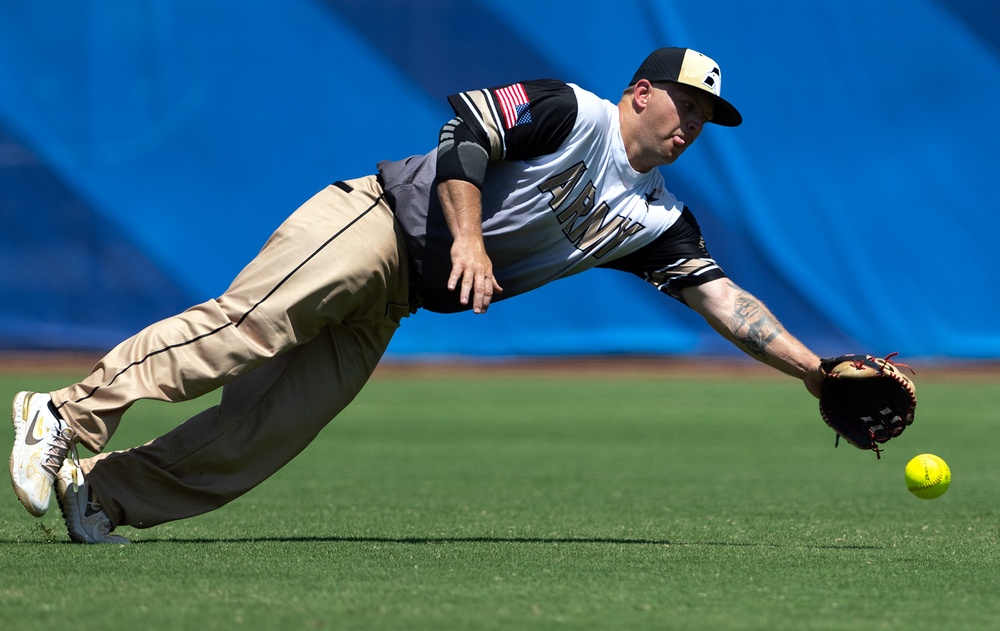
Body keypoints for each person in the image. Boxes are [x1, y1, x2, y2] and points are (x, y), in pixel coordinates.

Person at [10, 47, 824, 544]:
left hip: (395, 300)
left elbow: (727, 304)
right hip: (373, 223)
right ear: (641, 92)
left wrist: (817, 372)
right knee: (246, 329)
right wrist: (468, 237)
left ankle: (101, 492)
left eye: (707, 118)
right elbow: (466, 134)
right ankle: (64, 414)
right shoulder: (574, 112)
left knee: (265, 431)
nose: (692, 125)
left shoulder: (655, 215)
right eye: (687, 103)